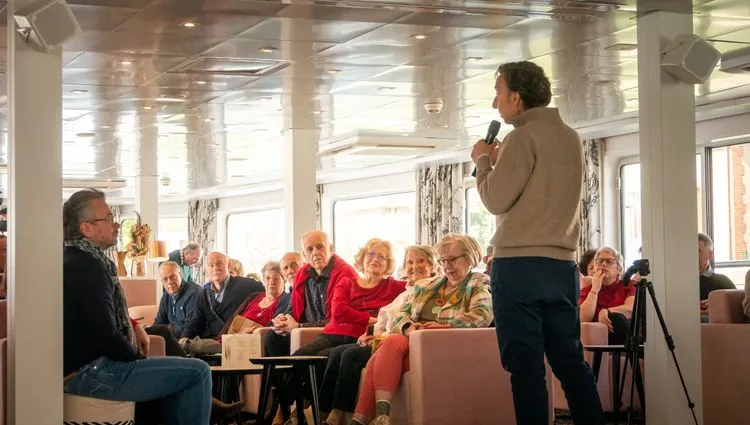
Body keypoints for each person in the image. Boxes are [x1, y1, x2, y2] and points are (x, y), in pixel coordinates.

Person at [471, 61, 604, 425]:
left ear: (516, 96)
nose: (496, 103)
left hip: (519, 266)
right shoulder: (570, 136)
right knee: (569, 362)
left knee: (525, 367)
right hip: (561, 266)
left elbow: (495, 200)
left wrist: (483, 160)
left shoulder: (521, 137)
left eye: (498, 94)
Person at [61, 189, 239, 425]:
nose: (116, 225)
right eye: (108, 219)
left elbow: (97, 319)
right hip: (93, 373)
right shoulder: (89, 267)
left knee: (180, 373)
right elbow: (105, 335)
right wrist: (138, 359)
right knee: (198, 371)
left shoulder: (73, 259)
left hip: (82, 368)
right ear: (86, 228)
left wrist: (134, 326)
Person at [351, 235, 493, 425]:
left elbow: (482, 314)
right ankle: (381, 417)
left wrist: (447, 327)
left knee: (379, 357)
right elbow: (400, 314)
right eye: (443, 260)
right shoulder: (428, 286)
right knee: (392, 341)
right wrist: (409, 327)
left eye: (452, 260)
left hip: (440, 345)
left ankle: (363, 419)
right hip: (412, 340)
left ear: (470, 258)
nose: (447, 266)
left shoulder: (478, 284)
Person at [319, 245, 438, 425]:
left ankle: (341, 412)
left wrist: (379, 332)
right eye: (410, 262)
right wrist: (372, 332)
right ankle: (322, 410)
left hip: (403, 343)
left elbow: (404, 321)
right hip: (378, 337)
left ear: (433, 265)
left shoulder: (431, 289)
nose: (414, 266)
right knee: (334, 354)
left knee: (349, 355)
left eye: (421, 261)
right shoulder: (407, 291)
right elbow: (389, 318)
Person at [578, 247, 635, 344]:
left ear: (619, 269)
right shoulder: (588, 289)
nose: (603, 264)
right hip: (597, 339)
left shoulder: (628, 285)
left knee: (617, 319)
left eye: (609, 261)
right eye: (599, 261)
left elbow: (631, 308)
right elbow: (582, 319)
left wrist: (606, 312)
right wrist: (595, 289)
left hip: (624, 335)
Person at [698, 233, 735, 321]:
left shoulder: (723, 282)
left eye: (698, 251)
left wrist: (717, 308)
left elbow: (738, 310)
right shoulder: (678, 283)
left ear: (710, 254)